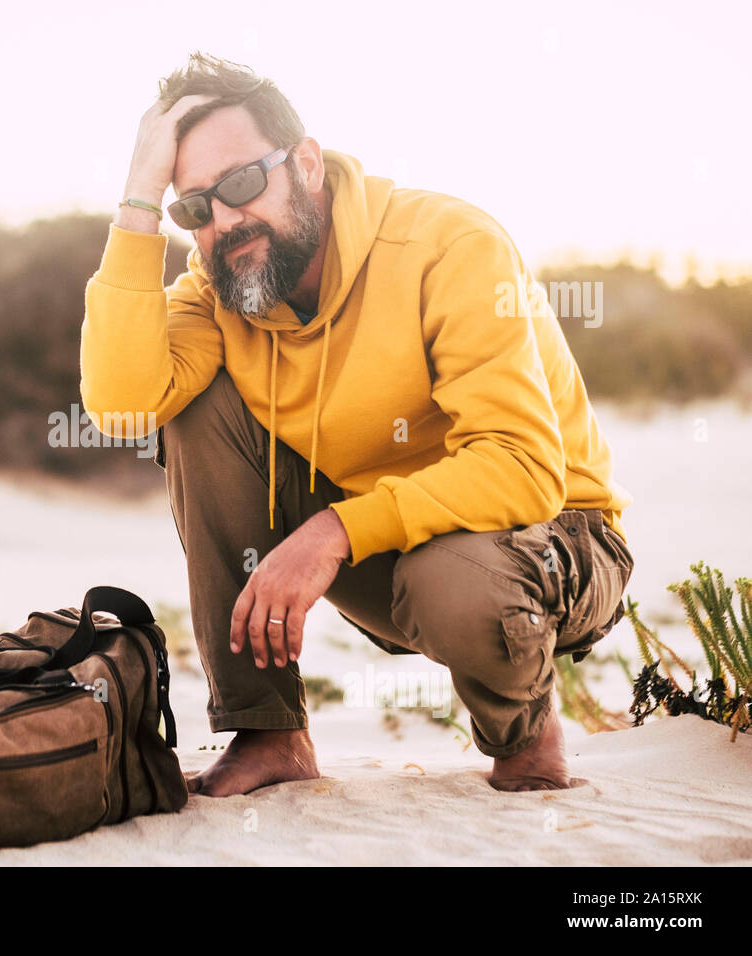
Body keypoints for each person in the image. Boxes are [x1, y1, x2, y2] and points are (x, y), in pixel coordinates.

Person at [79, 52, 636, 797]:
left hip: (556, 540)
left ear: (306, 163)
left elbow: (523, 467)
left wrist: (333, 531)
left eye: (241, 184)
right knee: (195, 407)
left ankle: (525, 736)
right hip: (388, 551)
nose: (226, 221)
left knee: (452, 581)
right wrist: (138, 201)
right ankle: (268, 732)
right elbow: (122, 402)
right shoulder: (219, 290)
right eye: (195, 209)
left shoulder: (449, 245)